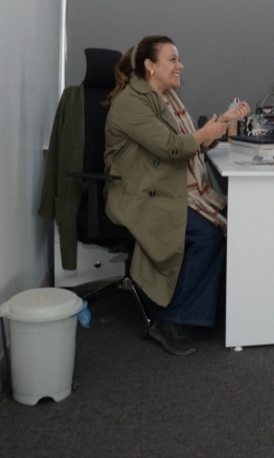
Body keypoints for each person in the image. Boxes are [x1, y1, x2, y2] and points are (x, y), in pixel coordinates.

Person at [103, 35, 250, 356]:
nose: (180, 65)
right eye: (173, 60)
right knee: (208, 234)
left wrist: (223, 123)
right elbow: (171, 147)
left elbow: (189, 142)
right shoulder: (131, 103)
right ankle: (171, 320)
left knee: (226, 222)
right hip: (139, 195)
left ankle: (210, 308)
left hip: (165, 186)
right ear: (150, 66)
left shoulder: (166, 98)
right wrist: (206, 133)